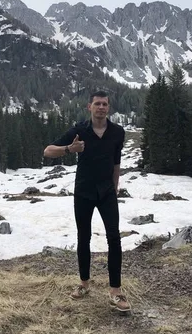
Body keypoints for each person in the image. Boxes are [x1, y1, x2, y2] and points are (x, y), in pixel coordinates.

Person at [43, 90, 130, 313]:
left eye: (105, 104)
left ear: (108, 108)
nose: (101, 107)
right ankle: (83, 284)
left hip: (107, 191)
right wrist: (69, 149)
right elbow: (48, 151)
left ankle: (116, 291)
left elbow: (116, 162)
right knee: (84, 236)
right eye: (97, 104)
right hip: (83, 191)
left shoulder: (117, 132)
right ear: (89, 107)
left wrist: (115, 186)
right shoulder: (79, 130)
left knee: (114, 238)